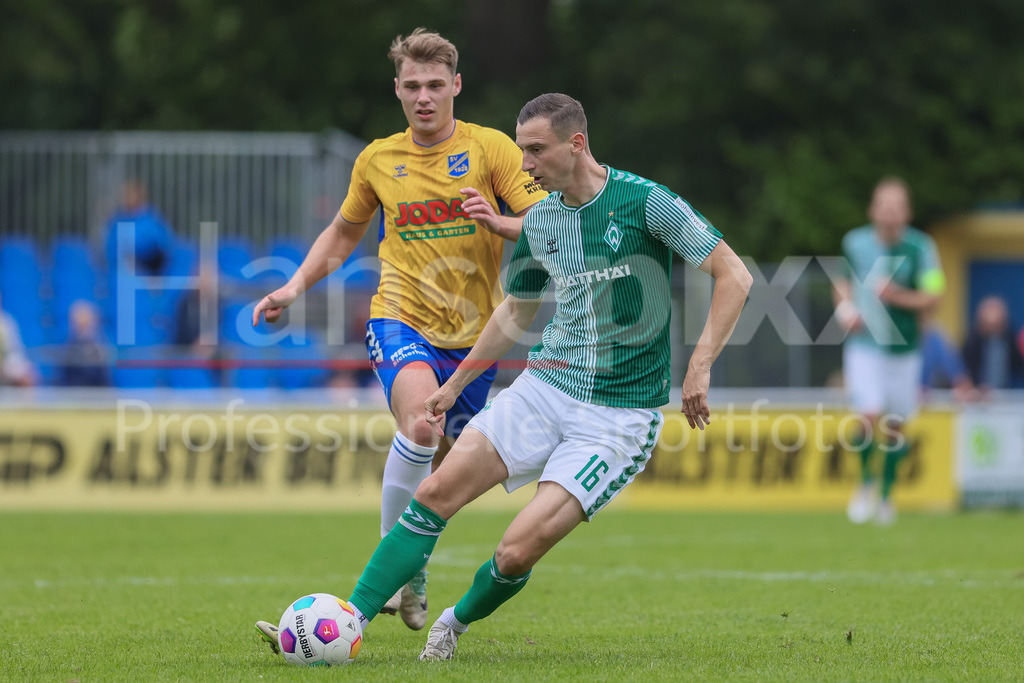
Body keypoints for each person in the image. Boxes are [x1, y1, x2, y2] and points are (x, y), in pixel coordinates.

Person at [254, 93, 751, 660]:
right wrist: (454, 385)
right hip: (544, 389)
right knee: (436, 490)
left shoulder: (645, 202)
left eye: (536, 151)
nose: (526, 165)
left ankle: (452, 623)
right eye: (521, 152)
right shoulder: (541, 221)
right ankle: (349, 621)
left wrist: (700, 364)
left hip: (616, 419)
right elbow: (515, 312)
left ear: (577, 143)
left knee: (515, 553)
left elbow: (733, 275)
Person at [252, 28, 545, 631]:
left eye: (436, 85)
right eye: (412, 86)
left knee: (441, 470)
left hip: (473, 340)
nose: (424, 97)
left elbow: (544, 217)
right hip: (399, 316)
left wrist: (499, 221)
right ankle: (398, 580)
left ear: (456, 85)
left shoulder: (491, 150)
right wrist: (291, 287)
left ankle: (409, 569)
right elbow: (342, 233)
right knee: (420, 424)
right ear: (397, 90)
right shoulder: (378, 159)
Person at [833, 177, 944, 526]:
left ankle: (886, 495)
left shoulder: (922, 248)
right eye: (884, 205)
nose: (890, 213)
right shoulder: (854, 242)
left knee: (895, 425)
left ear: (907, 212)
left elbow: (934, 297)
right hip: (865, 346)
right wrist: (846, 311)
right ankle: (865, 484)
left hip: (905, 348)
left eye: (897, 207)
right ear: (873, 209)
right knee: (868, 415)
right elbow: (842, 285)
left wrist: (897, 296)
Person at [962, 295, 1024, 391]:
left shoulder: (1011, 338)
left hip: (1005, 393)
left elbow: (1019, 365)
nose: (993, 315)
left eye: (996, 310)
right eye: (989, 310)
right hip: (978, 393)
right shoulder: (972, 341)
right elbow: (965, 368)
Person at [57, 300, 112, 387]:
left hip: (96, 395)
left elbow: (104, 380)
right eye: (79, 324)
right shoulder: (66, 349)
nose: (83, 328)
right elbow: (62, 379)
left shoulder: (100, 349)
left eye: (85, 323)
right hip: (71, 395)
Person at [0, 292, 36, 387]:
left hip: (5, 365)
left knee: (28, 373)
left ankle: (26, 401)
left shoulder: (6, 322)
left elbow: (15, 349)